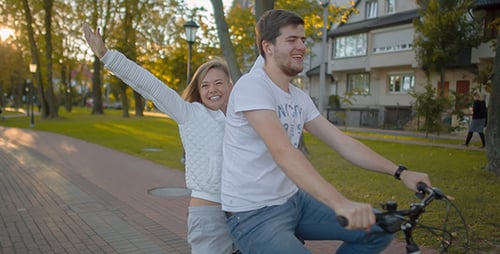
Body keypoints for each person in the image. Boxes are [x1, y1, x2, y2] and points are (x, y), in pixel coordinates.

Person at [221, 9, 432, 254]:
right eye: (291, 40)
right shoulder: (252, 86)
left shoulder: (298, 97)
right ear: (267, 47)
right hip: (253, 213)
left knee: (379, 229)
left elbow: (341, 142)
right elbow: (283, 152)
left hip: (294, 201)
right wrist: (340, 203)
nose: (301, 46)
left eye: (302, 39)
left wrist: (400, 172)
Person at [83, 24, 236, 254]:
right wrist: (107, 56)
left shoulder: (242, 120)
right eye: (205, 85)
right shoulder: (189, 114)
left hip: (243, 215)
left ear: (230, 86)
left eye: (218, 83)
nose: (212, 90)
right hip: (209, 217)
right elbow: (151, 86)